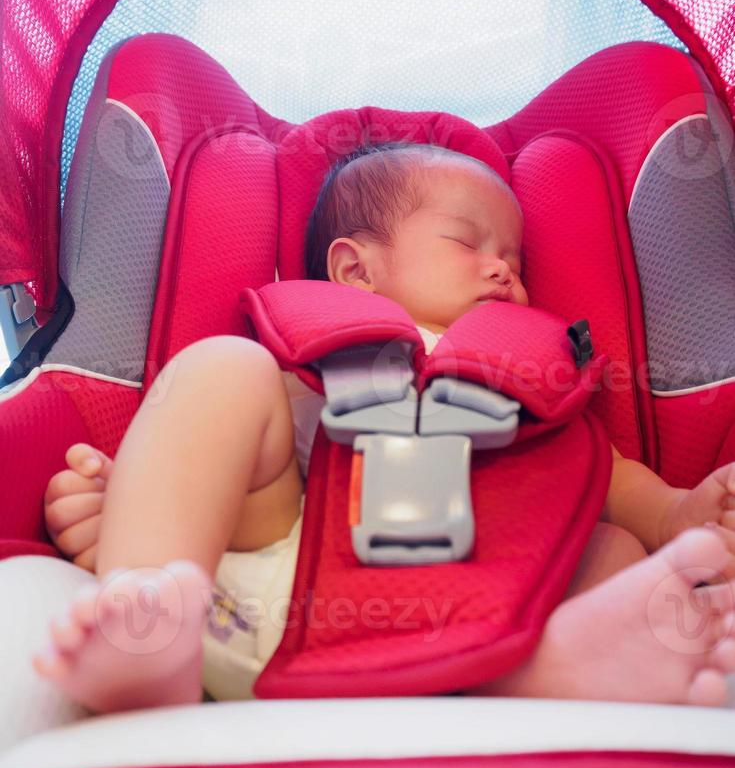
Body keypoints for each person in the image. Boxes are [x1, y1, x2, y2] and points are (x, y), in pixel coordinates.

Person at [36, 142, 735, 714]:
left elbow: (604, 477)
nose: (503, 269)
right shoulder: (308, 355)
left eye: (516, 262)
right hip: (271, 594)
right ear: (352, 271)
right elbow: (203, 451)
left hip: (493, 623)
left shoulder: (530, 378)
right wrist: (122, 505)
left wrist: (675, 513)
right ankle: (148, 612)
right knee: (221, 369)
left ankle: (564, 665)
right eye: (467, 242)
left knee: (600, 532)